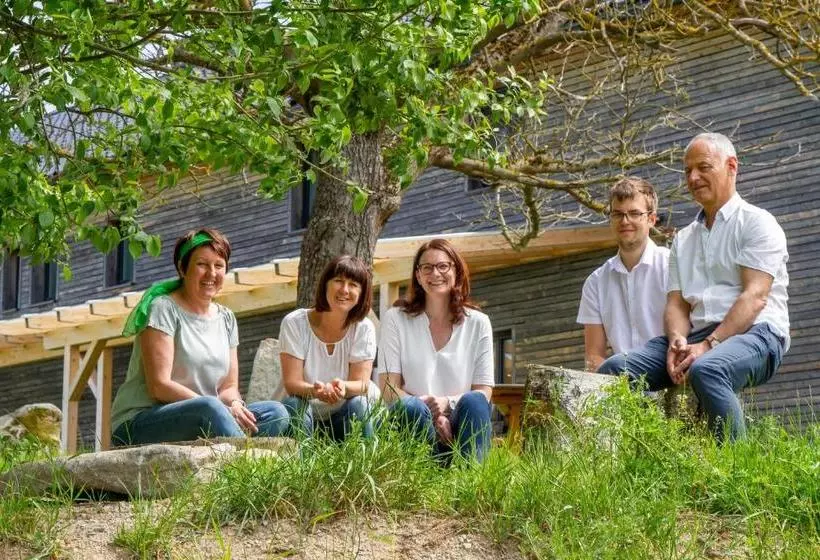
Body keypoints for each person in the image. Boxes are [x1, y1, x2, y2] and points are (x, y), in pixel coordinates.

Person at [598, 133, 790, 441]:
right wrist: (677, 341)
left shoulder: (757, 223)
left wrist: (707, 347)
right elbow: (676, 303)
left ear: (731, 167)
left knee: (709, 370)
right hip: (698, 336)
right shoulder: (684, 239)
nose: (693, 177)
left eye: (703, 167)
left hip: (759, 334)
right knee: (614, 370)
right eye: (687, 170)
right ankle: (620, 465)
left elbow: (754, 298)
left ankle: (733, 469)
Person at [111, 228, 289, 445]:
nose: (211, 274)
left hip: (209, 414)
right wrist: (218, 409)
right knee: (210, 408)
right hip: (142, 420)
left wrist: (233, 405)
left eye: (219, 266)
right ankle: (246, 466)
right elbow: (159, 386)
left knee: (275, 412)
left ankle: (236, 452)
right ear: (182, 268)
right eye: (202, 264)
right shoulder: (163, 308)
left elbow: (228, 388)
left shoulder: (226, 318)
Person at [378, 238, 494, 462]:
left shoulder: (478, 323)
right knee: (410, 407)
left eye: (443, 266)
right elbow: (389, 389)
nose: (435, 273)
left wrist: (447, 405)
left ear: (456, 272)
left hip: (461, 421)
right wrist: (427, 408)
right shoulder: (396, 319)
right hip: (415, 421)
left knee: (475, 401)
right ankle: (422, 484)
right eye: (427, 268)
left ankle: (471, 484)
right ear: (418, 276)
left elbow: (484, 390)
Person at [278, 255, 379, 440]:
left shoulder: (364, 327)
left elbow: (362, 383)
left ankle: (367, 467)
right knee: (293, 403)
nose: (345, 290)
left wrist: (342, 387)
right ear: (325, 284)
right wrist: (316, 391)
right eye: (338, 281)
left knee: (360, 404)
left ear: (362, 293)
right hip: (307, 411)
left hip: (345, 413)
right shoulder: (294, 323)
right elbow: (292, 383)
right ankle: (300, 466)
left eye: (354, 285)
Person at [577, 177, 669, 371]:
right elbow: (594, 357)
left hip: (670, 380)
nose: (625, 221)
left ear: (651, 219)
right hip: (621, 389)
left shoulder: (672, 266)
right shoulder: (595, 283)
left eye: (634, 213)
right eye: (618, 214)